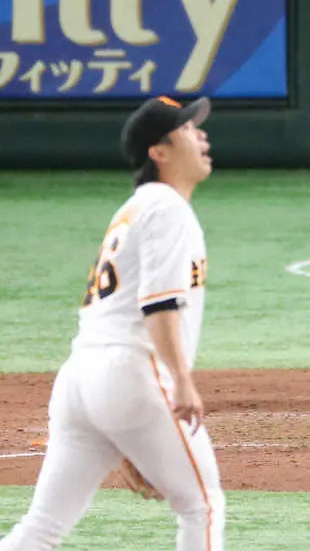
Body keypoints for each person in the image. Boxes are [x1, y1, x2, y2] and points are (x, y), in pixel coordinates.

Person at [0, 96, 225, 550]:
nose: (201, 135)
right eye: (186, 129)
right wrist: (181, 383)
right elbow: (158, 304)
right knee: (201, 507)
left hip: (80, 381)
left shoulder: (136, 207)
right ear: (158, 151)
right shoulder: (167, 207)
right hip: (131, 372)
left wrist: (125, 430)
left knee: (42, 526)